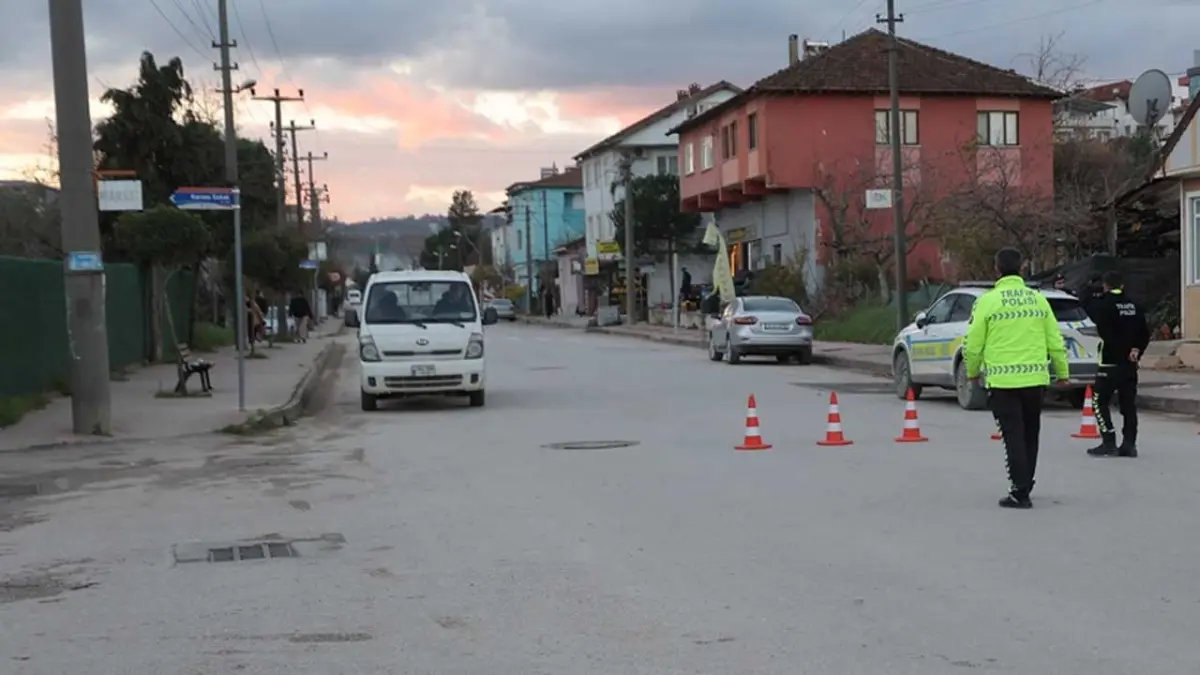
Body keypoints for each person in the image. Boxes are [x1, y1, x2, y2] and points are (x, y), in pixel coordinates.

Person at [964, 247, 1070, 509]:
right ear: (1022, 268)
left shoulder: (987, 301)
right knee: (1031, 433)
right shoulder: (1038, 300)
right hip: (1035, 381)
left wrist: (972, 371)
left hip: (1003, 383)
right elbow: (1055, 341)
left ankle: (1019, 491)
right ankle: (1027, 481)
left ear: (996, 269)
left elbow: (973, 344)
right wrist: (1063, 373)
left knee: (1013, 435)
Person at [1086, 270, 1150, 458]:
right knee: (1128, 405)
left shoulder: (1102, 305)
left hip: (1109, 363)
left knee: (1099, 401)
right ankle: (1129, 444)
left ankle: (1109, 441)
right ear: (1122, 285)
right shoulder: (1134, 305)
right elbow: (1144, 333)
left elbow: (1105, 333)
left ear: (1105, 286)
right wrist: (1136, 349)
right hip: (1130, 364)